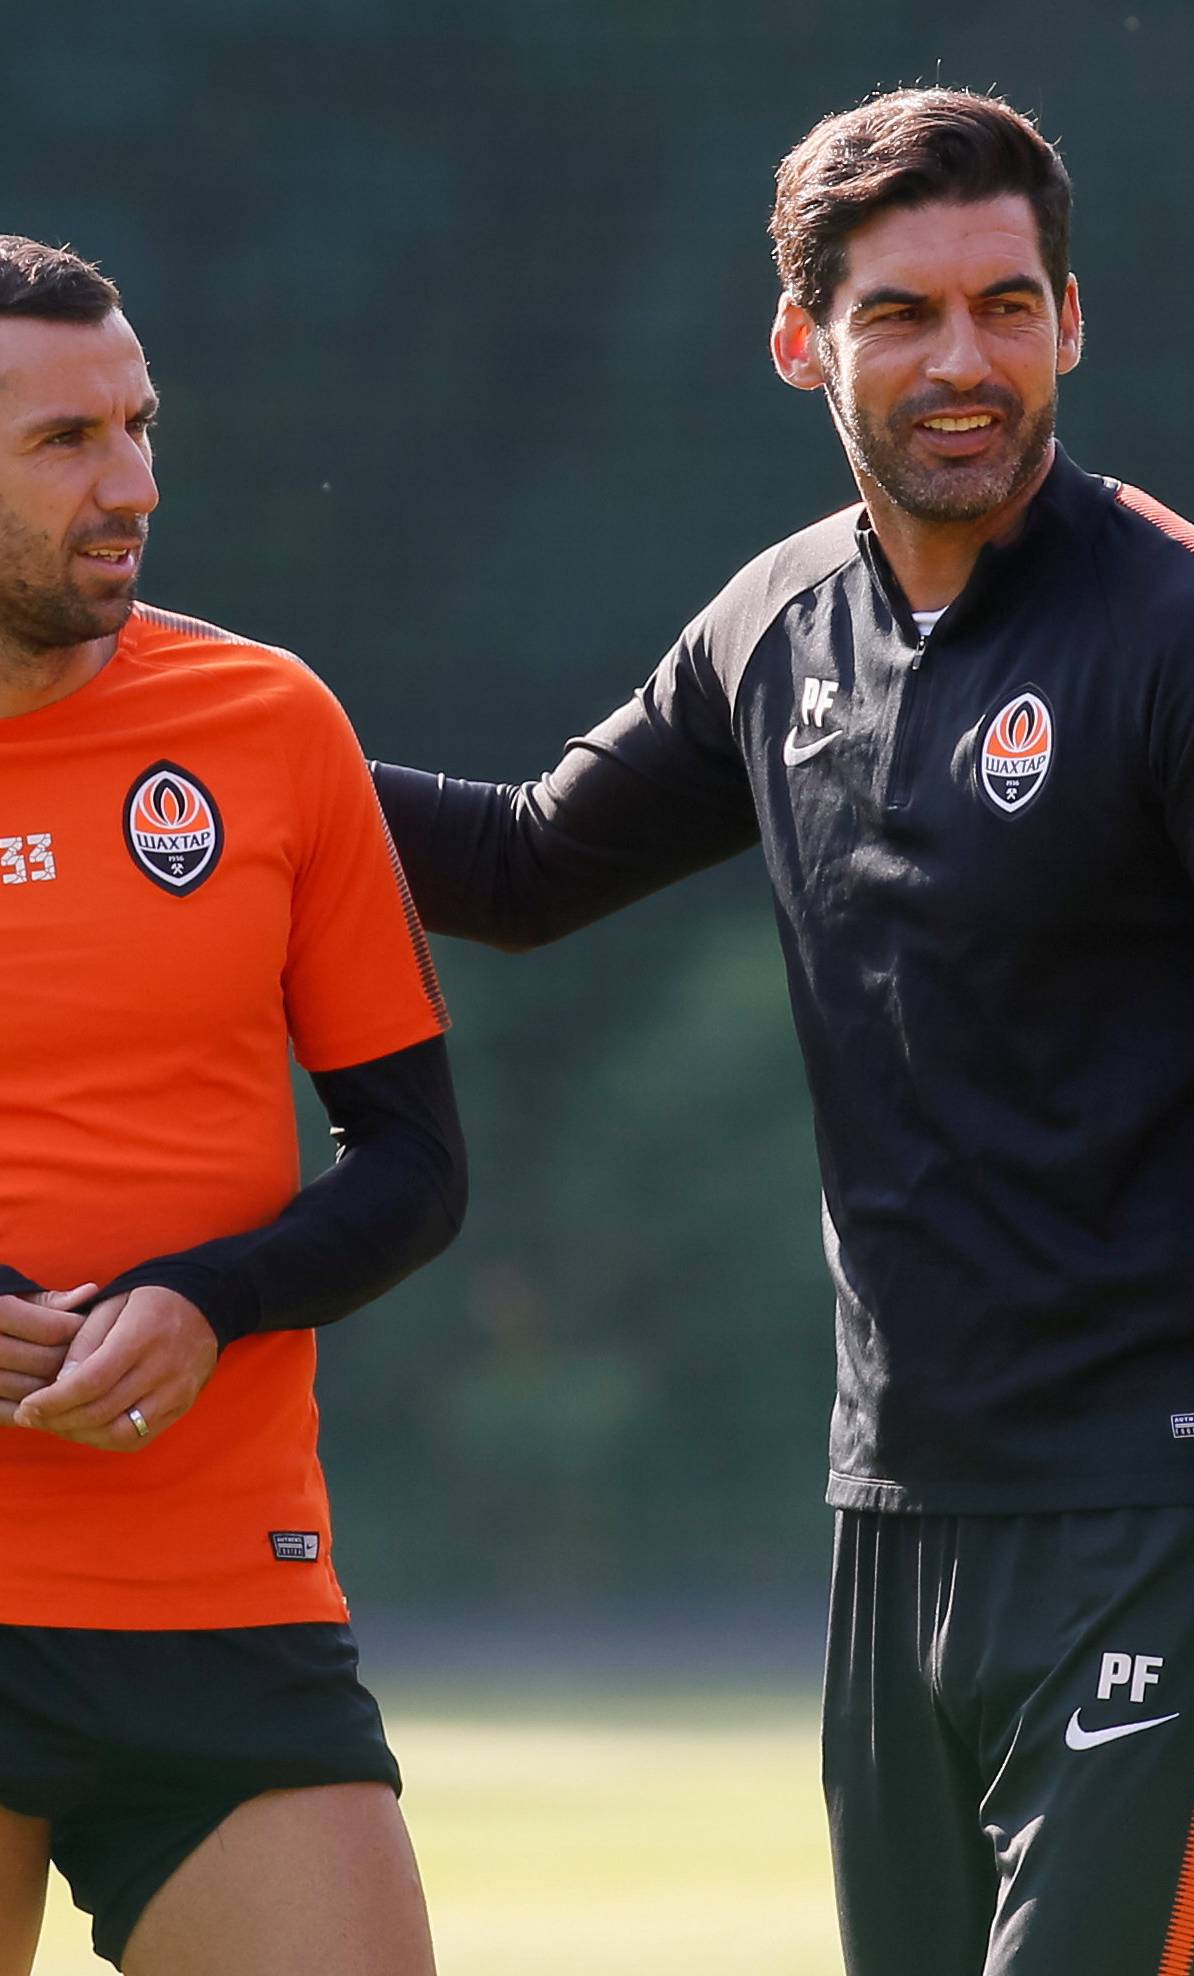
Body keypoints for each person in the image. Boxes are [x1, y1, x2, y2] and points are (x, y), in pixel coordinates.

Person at [374, 89, 1194, 1975]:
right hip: (900, 1519)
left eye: (1008, 306)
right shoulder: (775, 626)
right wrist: (210, 735)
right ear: (804, 341)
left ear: (1072, 320)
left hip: (1170, 1513)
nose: (968, 361)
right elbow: (525, 866)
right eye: (905, 315)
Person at [0, 237, 465, 1975]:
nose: (134, 484)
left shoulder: (269, 725)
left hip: (219, 1598)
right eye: (66, 443)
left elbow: (414, 1163)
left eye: (138, 424)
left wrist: (213, 1298)